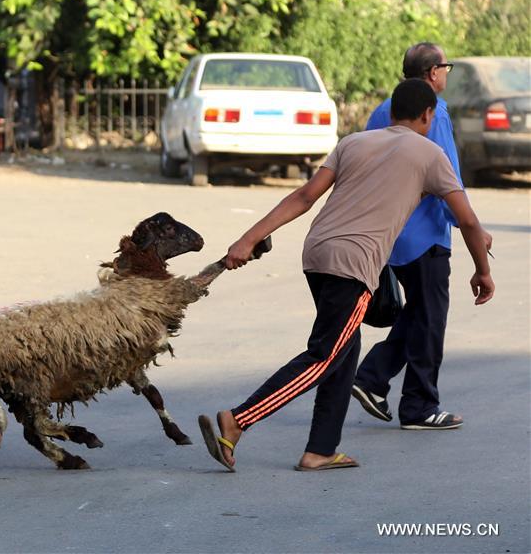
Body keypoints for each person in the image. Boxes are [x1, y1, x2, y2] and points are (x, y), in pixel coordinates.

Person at [197, 79, 494, 473]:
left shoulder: (354, 142)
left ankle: (320, 449)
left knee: (344, 350)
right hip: (353, 264)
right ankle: (238, 420)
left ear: (390, 113)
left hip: (317, 252)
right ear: (427, 114)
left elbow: (304, 196)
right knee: (324, 355)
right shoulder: (430, 153)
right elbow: (468, 220)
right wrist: (483, 270)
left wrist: (250, 237)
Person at [351, 43, 484, 430]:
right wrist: (468, 226)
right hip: (424, 234)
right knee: (430, 319)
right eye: (446, 67)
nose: (447, 73)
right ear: (431, 73)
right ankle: (419, 406)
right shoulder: (434, 112)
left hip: (388, 230)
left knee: (420, 313)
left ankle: (372, 378)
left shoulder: (384, 108)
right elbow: (446, 179)